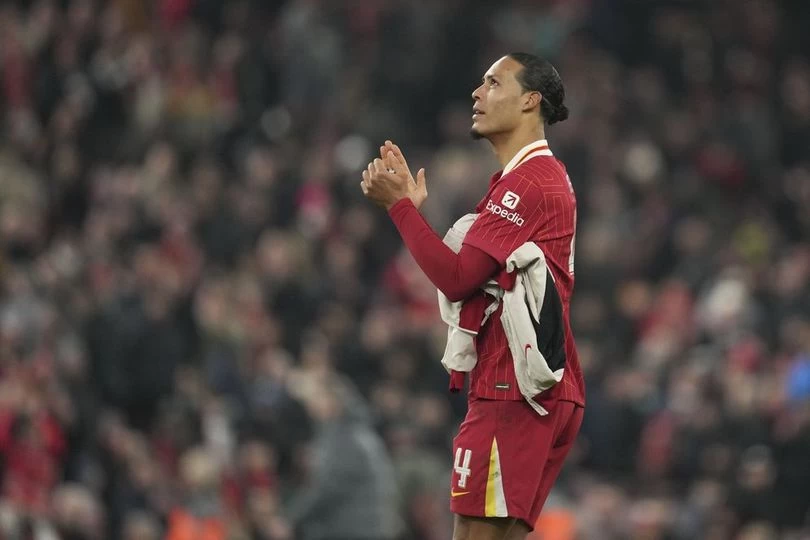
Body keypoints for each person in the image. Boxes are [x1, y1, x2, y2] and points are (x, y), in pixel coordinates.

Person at [360, 52, 585, 540]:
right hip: (536, 387)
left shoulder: (529, 182)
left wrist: (400, 209)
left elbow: (458, 278)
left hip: (512, 389)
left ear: (530, 101)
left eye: (493, 83)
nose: (477, 93)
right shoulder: (535, 178)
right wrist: (411, 211)